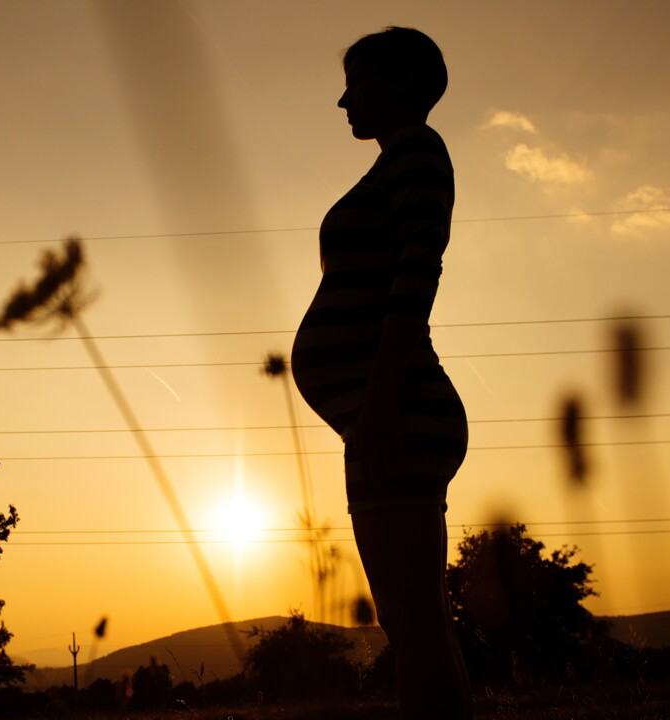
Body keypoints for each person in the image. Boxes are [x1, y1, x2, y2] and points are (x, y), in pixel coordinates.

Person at [290, 27, 472, 718]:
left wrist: (378, 399)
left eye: (357, 82)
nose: (343, 101)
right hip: (385, 408)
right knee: (418, 624)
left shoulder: (418, 154)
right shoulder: (398, 163)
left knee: (415, 621)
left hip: (395, 408)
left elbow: (416, 275)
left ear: (400, 83)